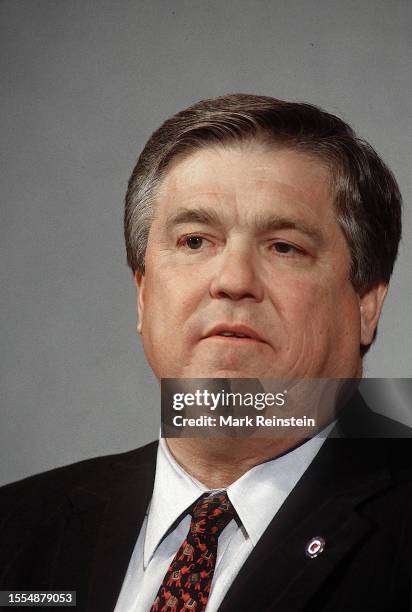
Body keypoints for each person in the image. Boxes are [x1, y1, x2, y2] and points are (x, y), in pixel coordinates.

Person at [1, 94, 411, 612]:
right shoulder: (13, 529)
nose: (234, 281)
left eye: (284, 246)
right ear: (144, 294)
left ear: (366, 305)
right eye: (195, 241)